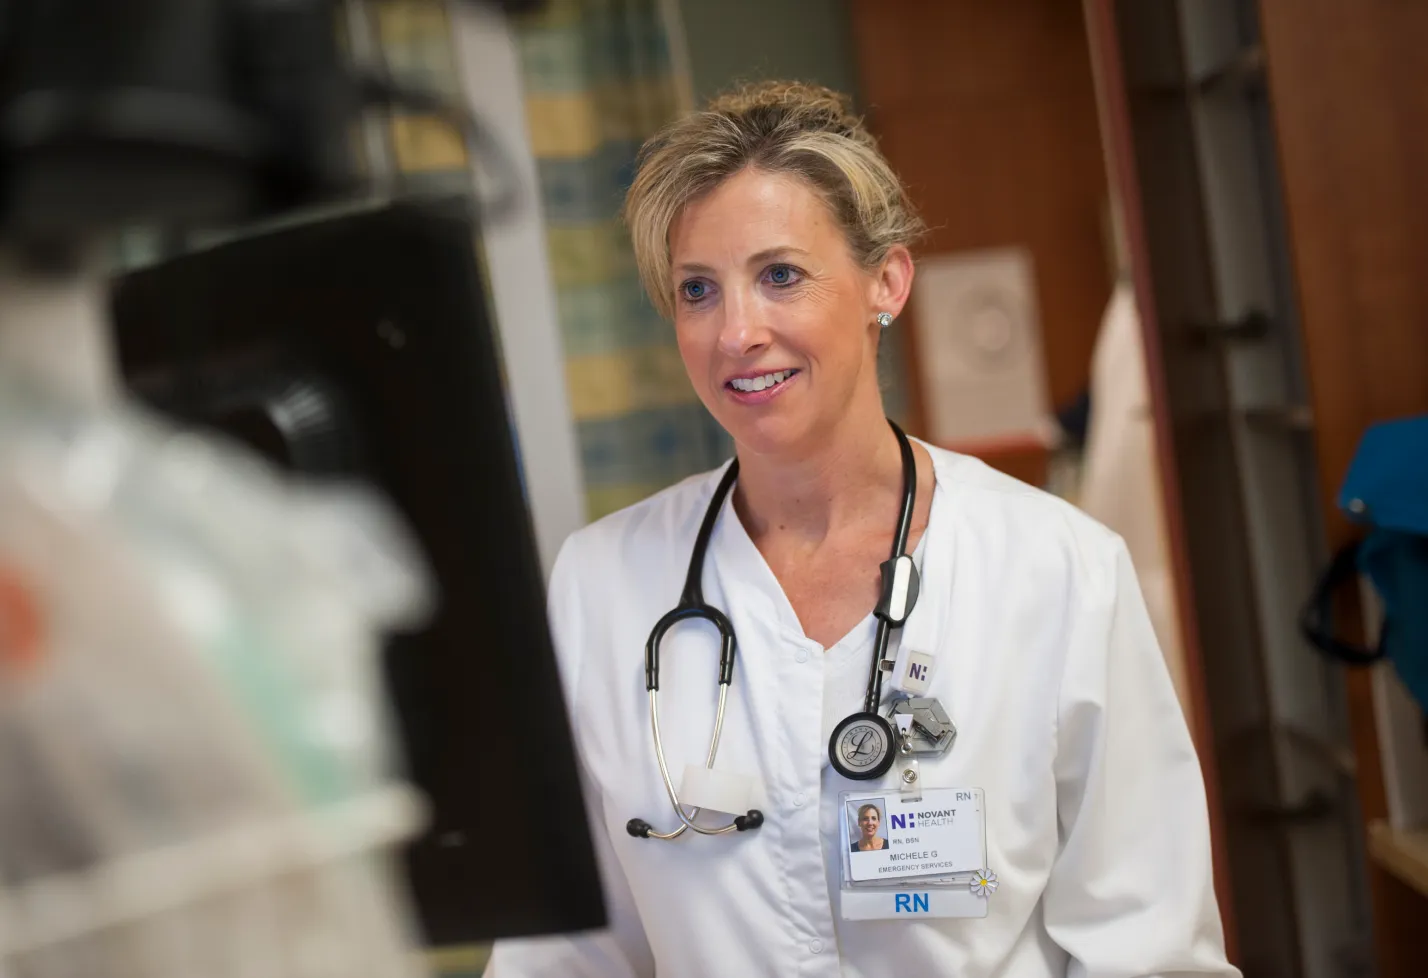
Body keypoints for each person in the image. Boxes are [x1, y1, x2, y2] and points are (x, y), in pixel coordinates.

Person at [484, 81, 1237, 977]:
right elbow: (567, 953)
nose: (738, 332)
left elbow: (1146, 944)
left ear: (887, 279)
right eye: (697, 290)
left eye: (781, 276)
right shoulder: (602, 586)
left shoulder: (1057, 569)